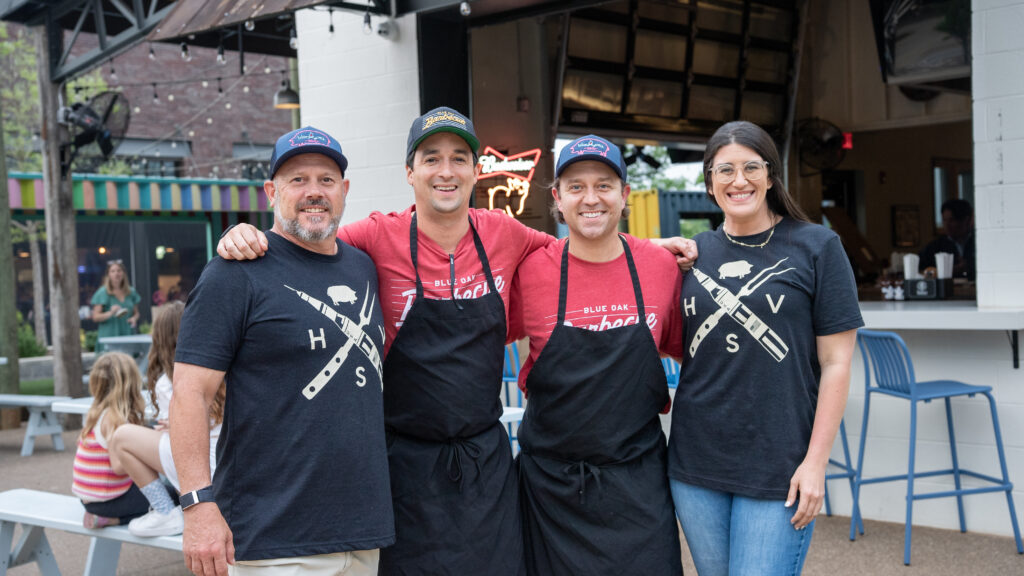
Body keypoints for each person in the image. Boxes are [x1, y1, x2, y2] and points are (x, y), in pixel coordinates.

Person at [217, 108, 697, 576]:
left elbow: (588, 248)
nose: (445, 171)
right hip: (402, 465)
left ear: (475, 171)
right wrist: (253, 236)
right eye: (430, 158)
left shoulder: (507, 235)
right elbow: (310, 238)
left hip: (489, 466)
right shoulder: (372, 237)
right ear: (409, 172)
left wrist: (652, 250)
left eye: (458, 158)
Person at [170, 126, 393, 576]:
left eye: (326, 180)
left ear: (345, 190)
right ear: (272, 191)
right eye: (298, 180)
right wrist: (197, 506)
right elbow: (188, 395)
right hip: (273, 539)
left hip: (362, 531)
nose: (315, 192)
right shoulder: (235, 274)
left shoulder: (362, 268)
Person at [666, 120, 863, 576]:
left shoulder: (817, 246)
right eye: (725, 170)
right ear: (709, 182)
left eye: (751, 167)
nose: (739, 181)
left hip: (780, 462)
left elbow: (836, 363)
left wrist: (816, 463)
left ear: (771, 175)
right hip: (697, 463)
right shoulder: (690, 255)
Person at [508, 135, 684, 575]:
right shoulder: (529, 271)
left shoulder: (660, 267)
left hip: (638, 483)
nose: (591, 198)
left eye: (604, 185)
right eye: (576, 186)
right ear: (558, 198)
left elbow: (695, 362)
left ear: (624, 196)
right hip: (551, 489)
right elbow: (471, 345)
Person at [108, 301, 226, 538]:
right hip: (230, 465)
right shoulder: (223, 369)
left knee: (121, 438)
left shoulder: (169, 381)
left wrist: (183, 425)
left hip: (202, 470)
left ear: (161, 340)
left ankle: (165, 512)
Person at [72, 352, 150, 529]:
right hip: (110, 500)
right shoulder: (116, 420)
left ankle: (106, 517)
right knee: (174, 498)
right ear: (132, 384)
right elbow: (119, 467)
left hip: (87, 500)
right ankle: (113, 520)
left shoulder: (94, 414)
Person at [918, 198, 975, 280]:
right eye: (944, 220)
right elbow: (920, 272)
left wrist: (969, 267)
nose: (947, 225)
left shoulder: (978, 242)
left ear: (966, 220)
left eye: (952, 220)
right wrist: (946, 271)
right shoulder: (935, 247)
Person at [91, 259, 141, 351]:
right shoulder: (103, 292)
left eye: (119, 270)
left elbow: (136, 313)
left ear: (123, 273)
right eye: (113, 271)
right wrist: (111, 312)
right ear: (108, 275)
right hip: (109, 337)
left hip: (127, 335)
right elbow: (95, 317)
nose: (116, 274)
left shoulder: (131, 291)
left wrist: (134, 319)